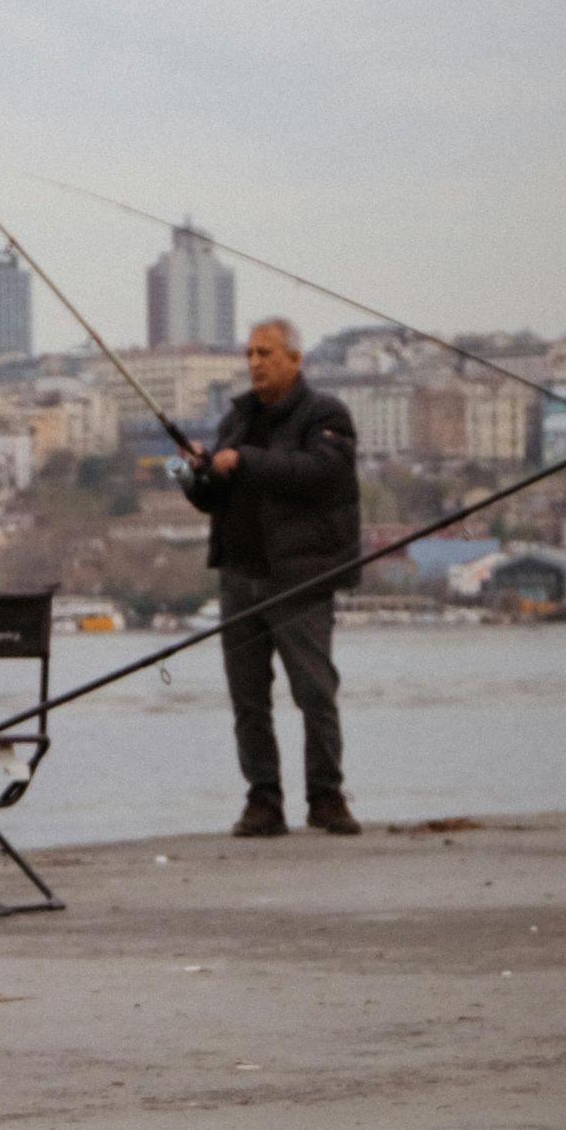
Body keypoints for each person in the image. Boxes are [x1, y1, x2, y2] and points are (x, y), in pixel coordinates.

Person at [180, 316, 362, 836]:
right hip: (240, 576)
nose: (255, 363)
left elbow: (320, 475)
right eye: (250, 354)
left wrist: (245, 461)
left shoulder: (327, 414)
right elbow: (209, 497)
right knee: (248, 700)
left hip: (300, 578)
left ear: (294, 359)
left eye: (265, 353)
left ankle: (326, 797)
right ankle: (263, 800)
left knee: (314, 692)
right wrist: (191, 470)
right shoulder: (234, 420)